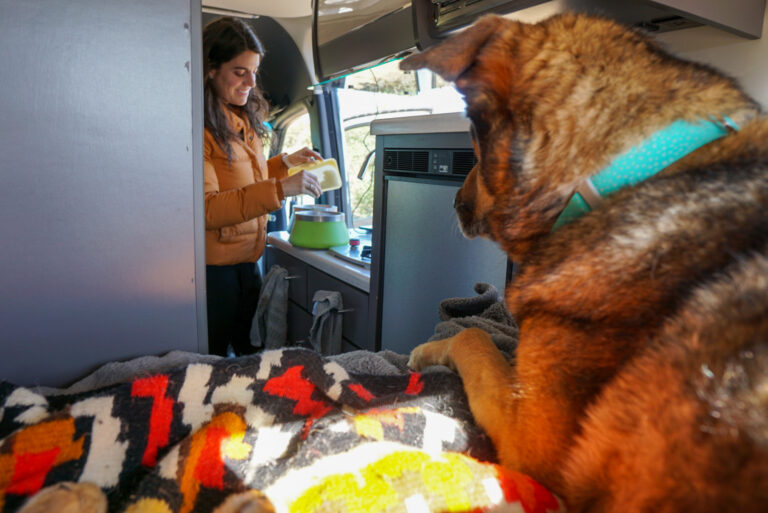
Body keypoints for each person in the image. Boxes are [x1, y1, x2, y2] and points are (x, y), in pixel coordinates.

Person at [203, 17, 322, 356]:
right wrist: (282, 189)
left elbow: (242, 178)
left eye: (255, 71)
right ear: (211, 69)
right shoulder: (200, 127)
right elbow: (209, 208)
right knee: (214, 360)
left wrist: (284, 164)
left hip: (248, 260)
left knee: (249, 355)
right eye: (240, 71)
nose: (251, 81)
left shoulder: (241, 117)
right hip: (216, 272)